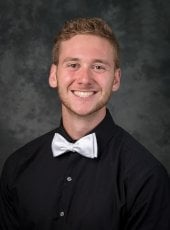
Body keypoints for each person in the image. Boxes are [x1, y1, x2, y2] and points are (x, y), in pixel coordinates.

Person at [0, 17, 170, 230]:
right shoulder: (17, 166)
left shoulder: (147, 176)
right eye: (73, 64)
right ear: (54, 75)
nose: (84, 79)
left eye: (98, 66)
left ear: (115, 79)